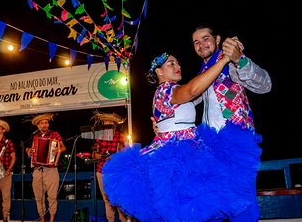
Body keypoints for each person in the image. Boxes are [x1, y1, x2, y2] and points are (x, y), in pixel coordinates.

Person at [102, 51, 263, 222]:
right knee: (184, 207)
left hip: (190, 150)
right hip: (176, 155)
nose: (178, 66)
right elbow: (194, 89)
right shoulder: (165, 90)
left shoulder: (176, 92)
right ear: (159, 72)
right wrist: (223, 60)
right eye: (171, 63)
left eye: (178, 63)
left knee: (198, 205)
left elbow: (200, 90)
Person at [191, 25, 272, 221]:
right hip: (209, 146)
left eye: (205, 38)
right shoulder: (204, 69)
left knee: (241, 205)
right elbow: (191, 97)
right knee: (212, 204)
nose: (201, 44)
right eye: (196, 42)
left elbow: (265, 84)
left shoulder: (229, 60)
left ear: (217, 39)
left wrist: (239, 59)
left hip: (236, 143)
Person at [26, 113, 66, 222]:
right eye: (42, 123)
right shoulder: (34, 136)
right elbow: (28, 149)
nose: (45, 125)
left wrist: (57, 150)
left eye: (46, 122)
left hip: (51, 169)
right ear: (38, 126)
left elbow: (63, 147)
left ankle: (51, 220)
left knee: (52, 197)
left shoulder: (54, 134)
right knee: (39, 197)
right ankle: (42, 219)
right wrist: (29, 152)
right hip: (38, 169)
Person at [90, 111, 129, 222]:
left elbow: (126, 154)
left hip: (115, 172)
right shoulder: (100, 136)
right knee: (106, 199)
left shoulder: (121, 136)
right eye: (105, 122)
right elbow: (94, 153)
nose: (106, 124)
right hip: (101, 171)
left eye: (108, 122)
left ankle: (123, 220)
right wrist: (96, 154)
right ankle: (110, 220)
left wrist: (116, 157)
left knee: (117, 198)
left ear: (114, 124)